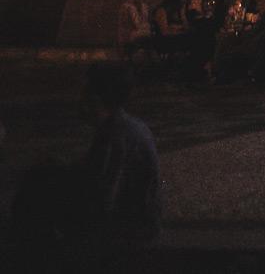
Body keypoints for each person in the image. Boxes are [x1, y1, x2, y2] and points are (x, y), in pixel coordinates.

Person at [10, 64, 162, 261]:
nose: (78, 99)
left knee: (35, 194)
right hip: (134, 222)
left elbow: (102, 199)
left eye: (83, 93)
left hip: (132, 231)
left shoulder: (115, 136)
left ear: (94, 100)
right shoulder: (124, 125)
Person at [116, 0, 153, 65]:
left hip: (140, 33)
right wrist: (146, 27)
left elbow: (145, 22)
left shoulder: (144, 6)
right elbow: (135, 25)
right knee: (150, 37)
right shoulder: (126, 7)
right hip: (128, 35)